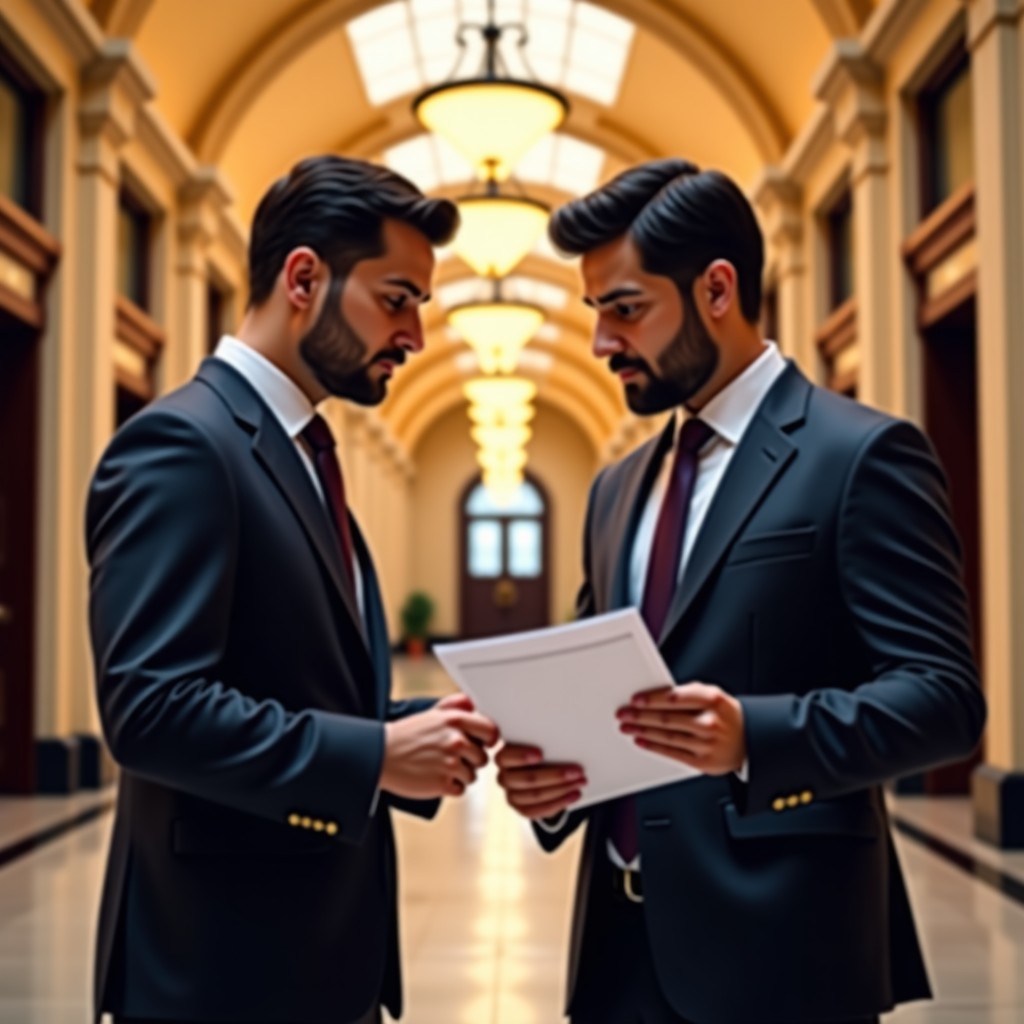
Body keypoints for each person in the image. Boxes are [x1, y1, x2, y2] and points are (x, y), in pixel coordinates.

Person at [494, 158, 985, 1024]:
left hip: (785, 955)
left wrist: (753, 736)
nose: (603, 343)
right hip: (617, 961)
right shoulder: (617, 489)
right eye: (595, 313)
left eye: (626, 309)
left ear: (716, 289)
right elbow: (590, 685)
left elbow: (943, 701)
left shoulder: (861, 456)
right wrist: (550, 783)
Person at [86, 155, 498, 1024]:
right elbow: (151, 710)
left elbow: (281, 680)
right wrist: (376, 757)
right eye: (397, 298)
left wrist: (409, 734)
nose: (416, 337)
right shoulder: (183, 446)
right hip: (221, 969)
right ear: (303, 277)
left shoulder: (305, 451)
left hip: (308, 959)